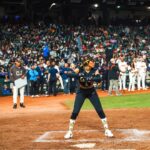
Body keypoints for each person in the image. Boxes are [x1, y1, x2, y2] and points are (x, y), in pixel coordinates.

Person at [64, 58, 113, 139]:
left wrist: (90, 78)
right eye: (89, 64)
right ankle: (70, 131)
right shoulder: (80, 69)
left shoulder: (94, 70)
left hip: (91, 92)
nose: (91, 65)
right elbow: (70, 74)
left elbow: (99, 79)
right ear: (86, 65)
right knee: (75, 112)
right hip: (81, 92)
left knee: (99, 110)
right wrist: (78, 74)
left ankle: (107, 130)